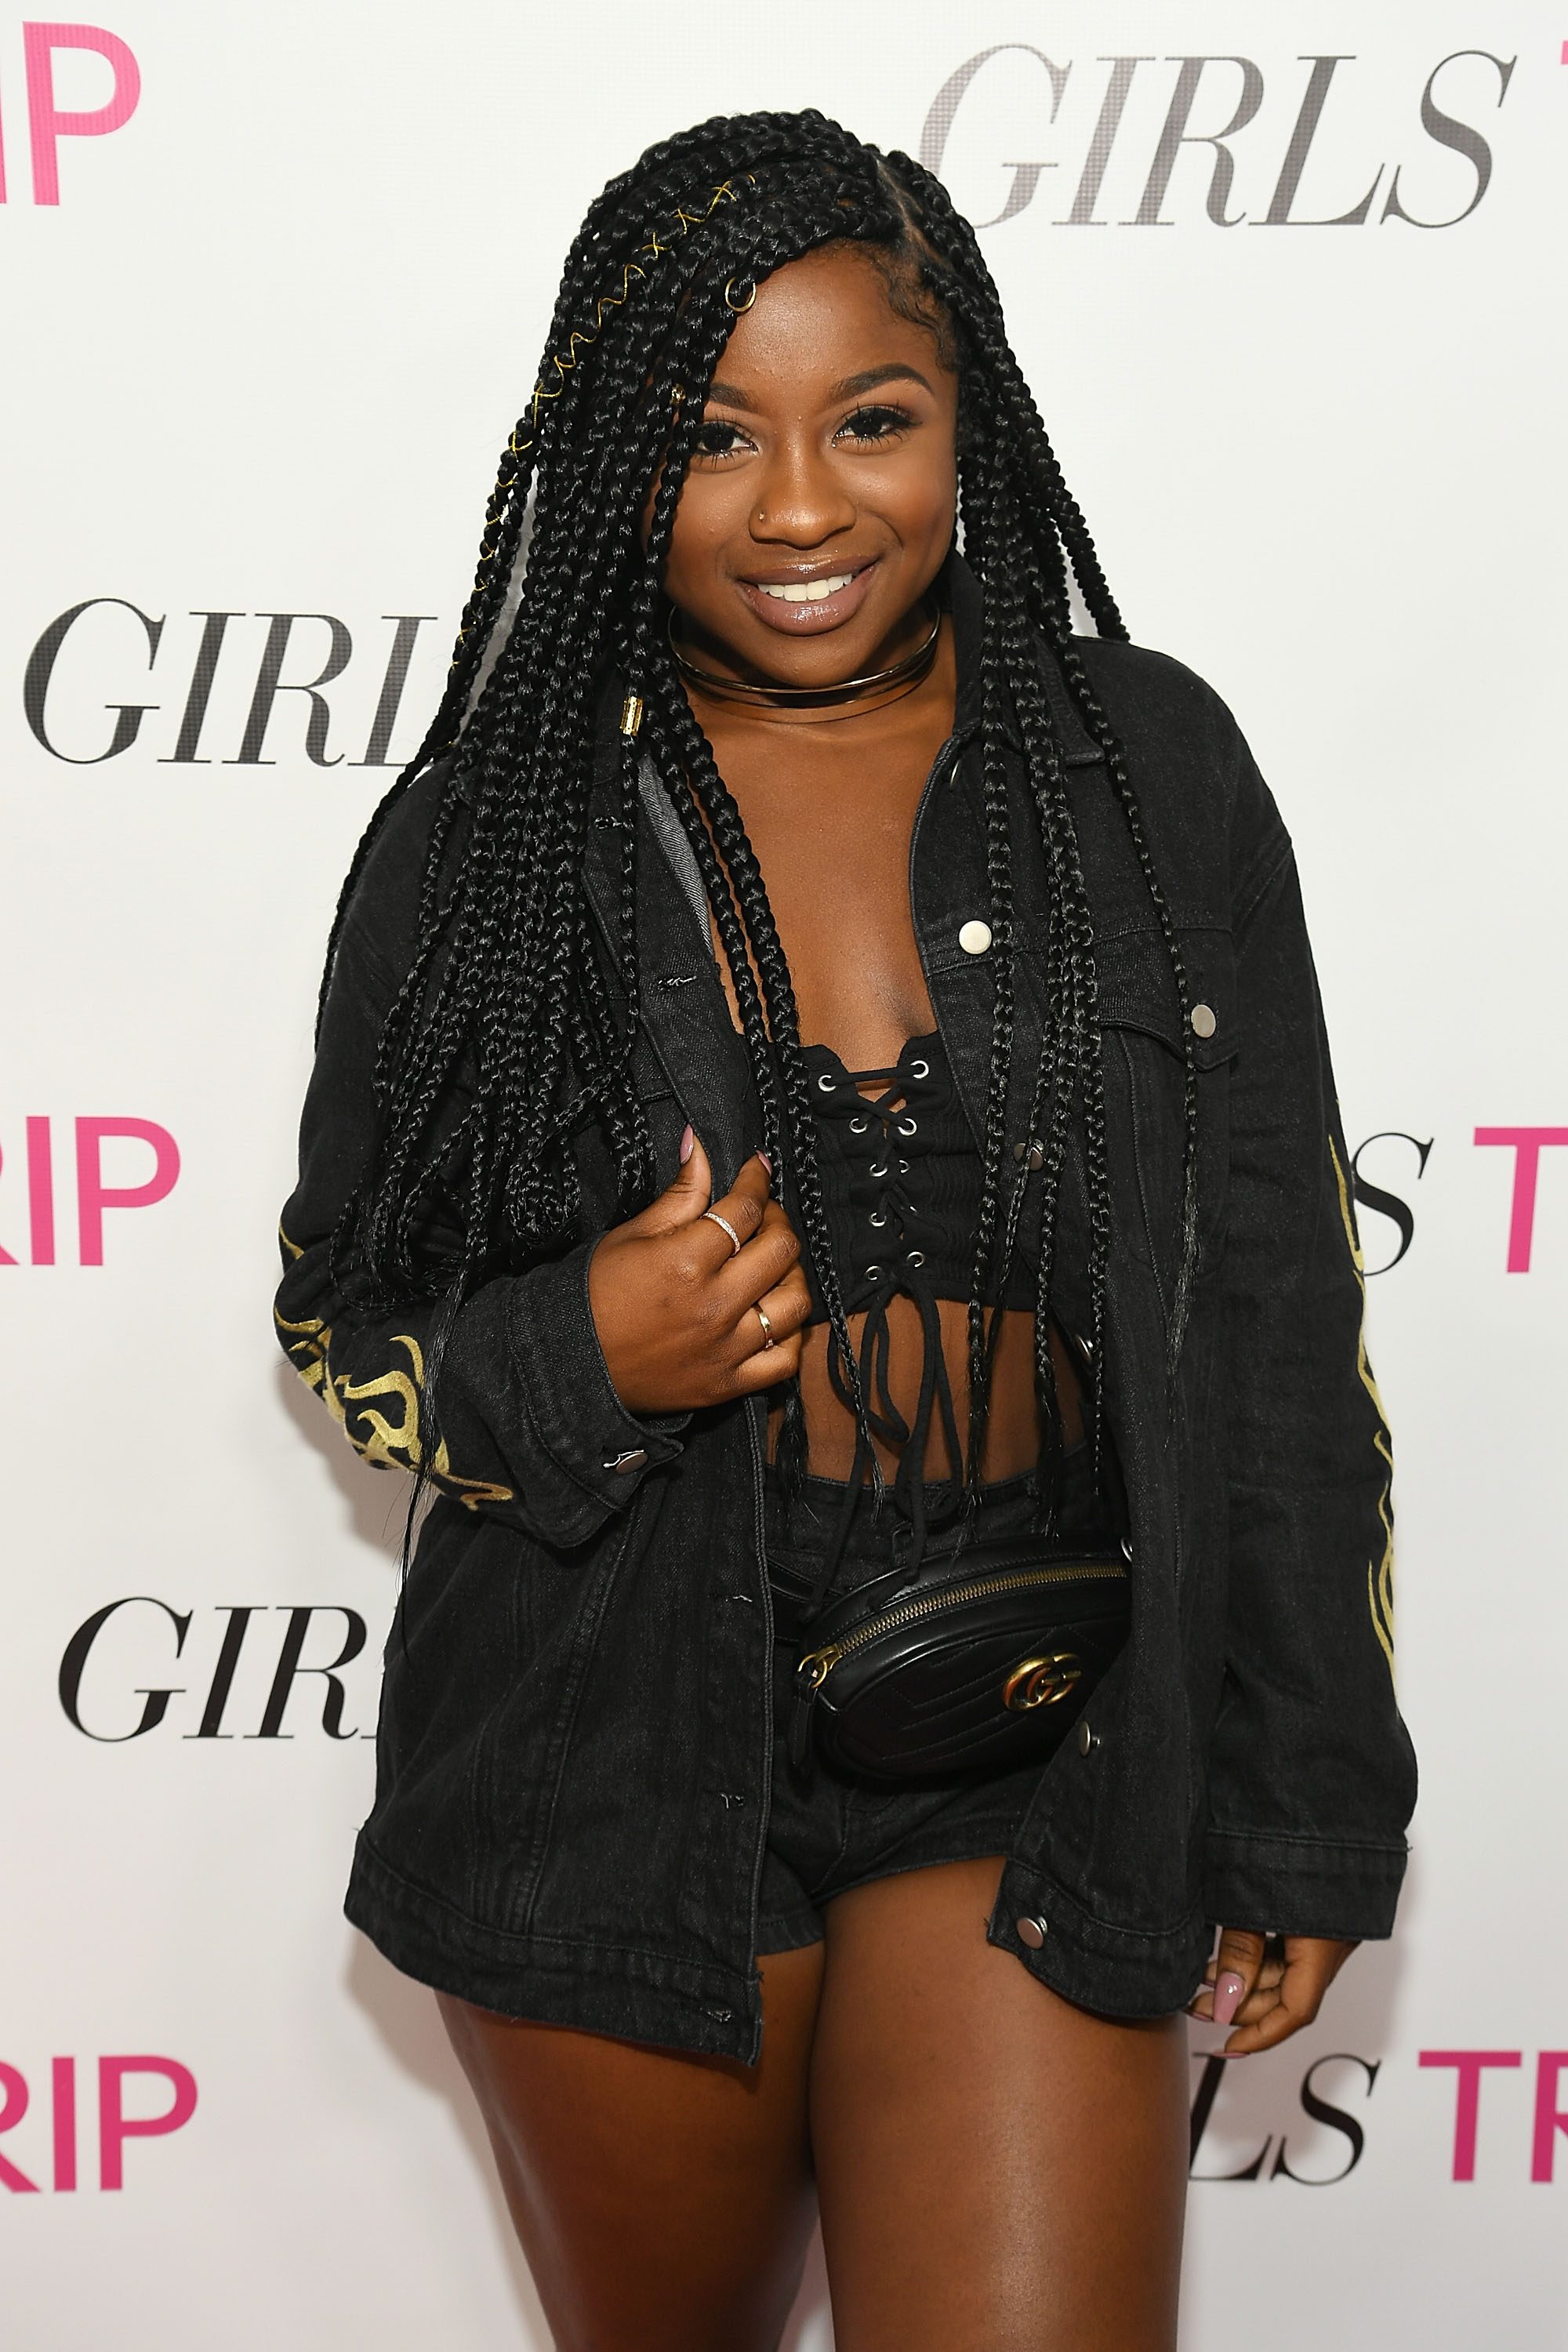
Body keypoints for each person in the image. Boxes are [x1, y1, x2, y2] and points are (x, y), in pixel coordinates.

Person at [274, 109, 1417, 2352]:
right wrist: (581, 1351)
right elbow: (341, 1324)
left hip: (1039, 1729)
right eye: (714, 438)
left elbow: (1282, 1316)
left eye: (871, 420)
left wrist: (1306, 1796)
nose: (801, 507)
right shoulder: (485, 841)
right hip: (606, 1752)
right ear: (618, 462)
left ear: (966, 415)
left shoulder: (1150, 772)